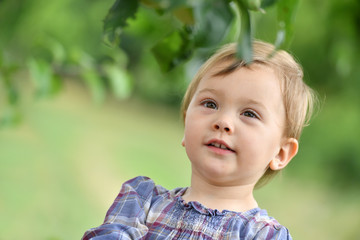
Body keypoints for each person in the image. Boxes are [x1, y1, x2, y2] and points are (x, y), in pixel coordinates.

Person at [82, 40, 317, 239]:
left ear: (280, 153)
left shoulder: (262, 235)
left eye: (249, 114)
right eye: (210, 104)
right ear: (186, 126)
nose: (223, 121)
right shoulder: (142, 201)